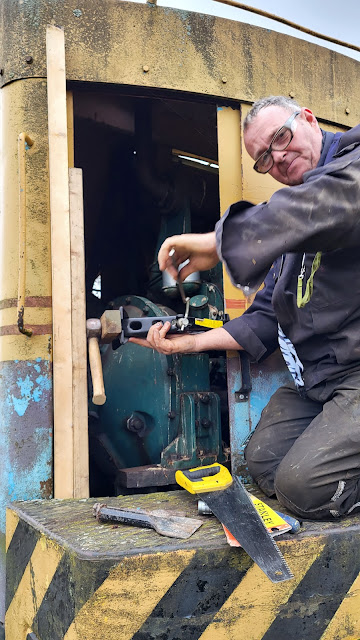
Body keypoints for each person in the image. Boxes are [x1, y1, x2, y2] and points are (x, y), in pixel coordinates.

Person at [130, 95, 360, 521]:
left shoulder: (350, 167)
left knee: (302, 488)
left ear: (307, 118)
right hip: (319, 379)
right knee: (263, 463)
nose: (278, 158)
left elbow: (334, 203)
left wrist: (219, 242)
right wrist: (187, 343)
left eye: (281, 138)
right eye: (264, 159)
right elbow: (265, 318)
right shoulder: (293, 228)